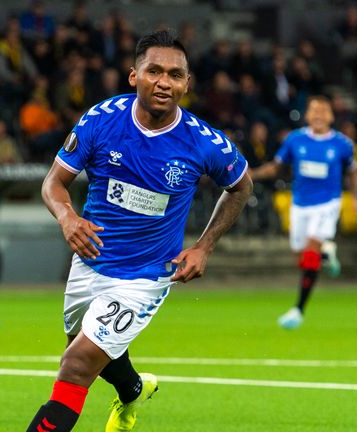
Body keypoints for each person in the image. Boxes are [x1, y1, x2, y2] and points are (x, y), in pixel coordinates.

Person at [25, 30, 252, 432]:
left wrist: (204, 246)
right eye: (154, 71)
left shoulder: (203, 142)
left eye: (176, 75)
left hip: (146, 276)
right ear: (134, 76)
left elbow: (241, 186)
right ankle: (133, 391)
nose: (164, 82)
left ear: (187, 84)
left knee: (77, 364)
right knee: (92, 355)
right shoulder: (101, 119)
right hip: (92, 262)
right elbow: (53, 183)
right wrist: (67, 217)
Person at [251, 96, 357, 330]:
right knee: (301, 258)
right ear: (307, 115)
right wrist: (251, 174)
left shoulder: (342, 144)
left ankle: (298, 309)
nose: (319, 114)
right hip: (300, 204)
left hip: (327, 204)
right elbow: (276, 166)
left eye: (324, 110)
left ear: (331, 116)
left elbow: (353, 172)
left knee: (311, 250)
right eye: (314, 110)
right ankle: (326, 252)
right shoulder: (295, 139)